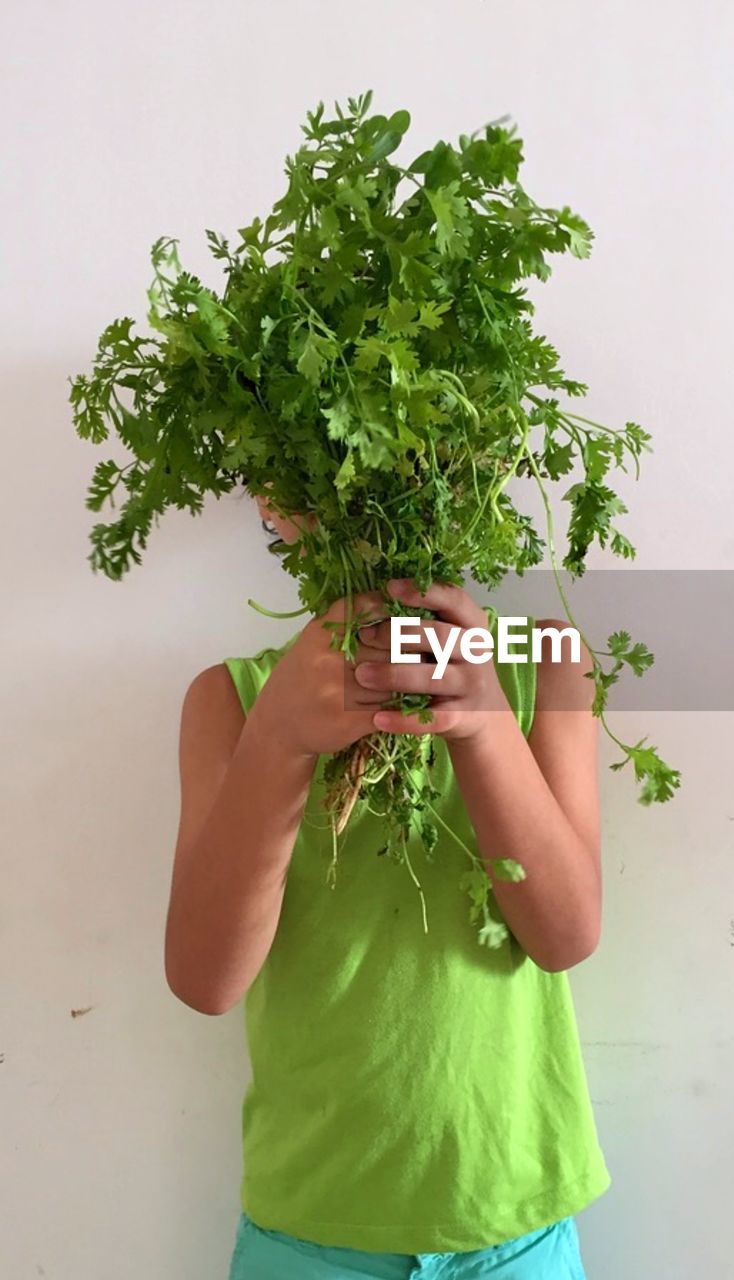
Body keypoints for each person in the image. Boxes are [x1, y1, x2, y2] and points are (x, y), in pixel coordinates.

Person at [164, 491, 611, 1279]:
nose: (358, 483)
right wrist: (278, 735)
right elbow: (205, 980)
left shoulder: (543, 660)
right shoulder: (230, 700)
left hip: (514, 1226)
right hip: (309, 1234)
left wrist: (483, 722)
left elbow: (566, 936)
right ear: (270, 501)